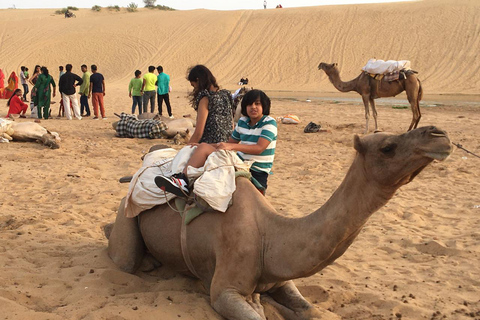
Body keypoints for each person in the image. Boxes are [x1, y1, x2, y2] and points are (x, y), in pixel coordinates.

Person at [155, 89, 276, 196]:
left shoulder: (269, 122)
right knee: (202, 147)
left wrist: (231, 146)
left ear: (264, 106)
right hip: (239, 163)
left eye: (257, 104)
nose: (253, 107)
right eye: (249, 104)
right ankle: (182, 179)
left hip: (257, 170)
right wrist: (207, 146)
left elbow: (259, 148)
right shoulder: (243, 122)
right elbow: (229, 142)